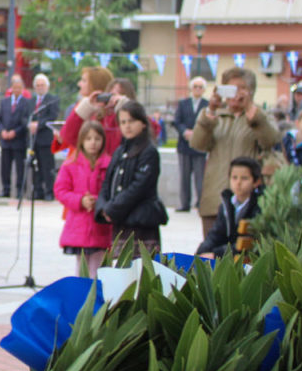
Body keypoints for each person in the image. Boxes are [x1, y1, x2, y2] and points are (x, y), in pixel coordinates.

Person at [189, 67, 282, 238]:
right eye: (231, 88)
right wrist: (210, 112)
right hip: (215, 197)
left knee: (244, 255)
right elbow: (197, 143)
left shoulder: (260, 116)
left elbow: (271, 140)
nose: (236, 94)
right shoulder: (216, 116)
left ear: (251, 91)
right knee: (213, 257)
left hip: (249, 200)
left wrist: (252, 114)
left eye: (241, 88)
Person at [95, 100, 165, 257]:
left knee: (141, 273)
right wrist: (103, 208)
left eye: (132, 121)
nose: (127, 126)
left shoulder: (149, 152)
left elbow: (138, 187)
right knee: (121, 273)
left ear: (143, 123)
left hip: (141, 222)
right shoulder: (120, 151)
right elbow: (107, 183)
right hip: (120, 221)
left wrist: (113, 208)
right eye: (123, 122)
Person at [53, 120, 112, 276]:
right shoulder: (70, 164)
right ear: (81, 141)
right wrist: (80, 200)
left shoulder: (109, 164)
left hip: (101, 227)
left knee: (99, 270)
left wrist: (98, 201)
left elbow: (113, 191)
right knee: (82, 271)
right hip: (79, 226)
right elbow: (60, 190)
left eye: (97, 139)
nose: (93, 143)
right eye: (88, 139)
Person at [196, 156, 264, 259]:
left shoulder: (260, 205)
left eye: (244, 178)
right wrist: (202, 252)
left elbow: (250, 242)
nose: (238, 182)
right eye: (234, 177)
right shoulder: (226, 204)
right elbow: (215, 235)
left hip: (244, 260)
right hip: (228, 256)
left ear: (256, 182)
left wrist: (216, 254)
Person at [55, 65, 117, 156]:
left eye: (84, 81)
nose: (79, 84)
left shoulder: (109, 112)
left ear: (95, 84)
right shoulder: (82, 105)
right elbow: (67, 136)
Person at [173, 76, 209, 212]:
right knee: (184, 176)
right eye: (195, 86)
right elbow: (177, 121)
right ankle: (184, 203)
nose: (198, 89)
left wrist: (197, 133)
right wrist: (184, 132)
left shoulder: (207, 105)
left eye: (200, 87)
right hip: (184, 145)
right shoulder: (183, 103)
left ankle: (200, 203)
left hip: (199, 146)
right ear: (191, 88)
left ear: (204, 90)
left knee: (200, 177)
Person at [0, 73, 32, 198]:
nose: (16, 90)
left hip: (18, 141)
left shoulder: (27, 103)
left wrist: (15, 132)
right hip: (5, 141)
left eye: (19, 87)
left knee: (20, 167)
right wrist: (2, 131)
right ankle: (6, 189)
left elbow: (26, 121)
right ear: (11, 88)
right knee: (5, 167)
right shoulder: (4, 102)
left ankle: (20, 190)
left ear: (22, 89)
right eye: (14, 87)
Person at [29, 73, 60, 200]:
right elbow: (26, 115)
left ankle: (49, 192)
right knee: (35, 166)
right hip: (33, 140)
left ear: (47, 86)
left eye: (42, 85)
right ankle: (38, 191)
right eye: (37, 85)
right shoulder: (31, 101)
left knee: (47, 167)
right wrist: (30, 124)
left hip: (46, 139)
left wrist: (38, 125)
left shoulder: (52, 100)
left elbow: (52, 116)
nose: (40, 87)